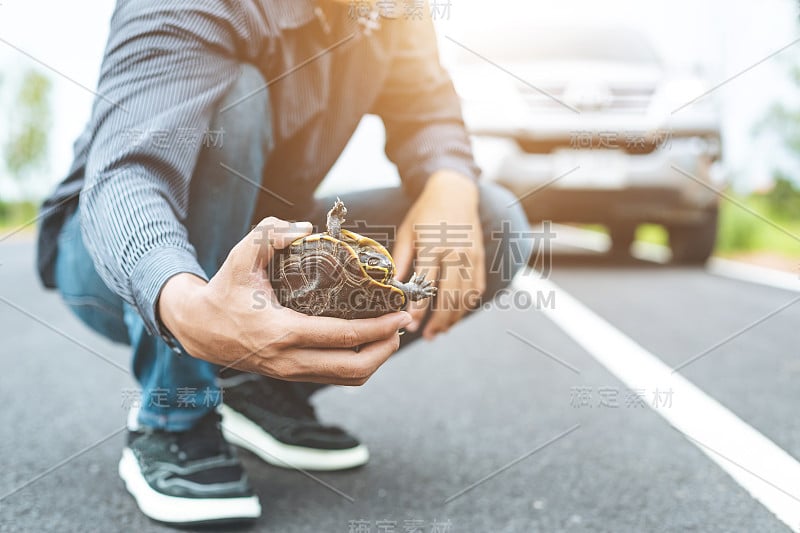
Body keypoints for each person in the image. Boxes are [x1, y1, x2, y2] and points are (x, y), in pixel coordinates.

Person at [36, 0, 532, 525]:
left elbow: (426, 107)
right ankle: (173, 415)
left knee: (489, 220)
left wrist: (449, 180)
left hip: (267, 234)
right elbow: (130, 176)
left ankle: (254, 388)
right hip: (115, 255)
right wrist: (187, 305)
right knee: (235, 102)